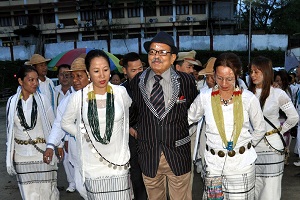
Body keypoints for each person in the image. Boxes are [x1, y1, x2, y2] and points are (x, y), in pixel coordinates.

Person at [129, 31, 198, 200]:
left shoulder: (186, 81)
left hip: (178, 153)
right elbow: (132, 114)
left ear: (173, 57)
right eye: (152, 52)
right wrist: (135, 130)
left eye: (162, 52)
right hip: (148, 155)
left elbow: (193, 109)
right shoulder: (137, 82)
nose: (156, 56)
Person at [188, 52, 266, 199]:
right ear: (213, 75)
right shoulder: (205, 97)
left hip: (241, 164)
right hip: (213, 166)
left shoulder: (248, 98)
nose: (224, 84)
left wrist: (244, 146)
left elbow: (260, 128)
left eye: (229, 79)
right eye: (219, 78)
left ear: (237, 75)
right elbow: (188, 119)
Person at [61, 50, 132, 199]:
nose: (102, 75)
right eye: (96, 71)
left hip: (118, 164)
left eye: (105, 70)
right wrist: (83, 133)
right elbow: (65, 123)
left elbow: (128, 116)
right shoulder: (78, 97)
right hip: (92, 166)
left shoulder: (120, 93)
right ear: (88, 73)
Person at [248, 56, 298, 200]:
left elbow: (294, 117)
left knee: (270, 191)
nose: (253, 75)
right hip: (251, 148)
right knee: (252, 189)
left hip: (272, 148)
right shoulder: (246, 94)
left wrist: (279, 131)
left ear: (266, 72)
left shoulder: (278, 93)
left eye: (257, 72)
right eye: (251, 71)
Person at [6, 65, 59, 199]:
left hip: (42, 153)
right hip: (21, 156)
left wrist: (56, 145)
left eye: (36, 80)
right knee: (28, 194)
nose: (35, 83)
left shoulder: (43, 100)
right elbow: (10, 130)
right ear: (20, 81)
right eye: (31, 80)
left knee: (46, 191)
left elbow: (54, 124)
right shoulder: (12, 102)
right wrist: (11, 152)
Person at [44, 58, 90, 199]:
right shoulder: (68, 101)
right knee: (82, 189)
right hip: (77, 154)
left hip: (99, 157)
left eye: (79, 76)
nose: (75, 80)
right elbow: (59, 124)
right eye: (72, 76)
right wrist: (51, 145)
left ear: (89, 76)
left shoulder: (101, 96)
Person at [120, 52, 147, 200]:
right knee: (137, 180)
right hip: (130, 142)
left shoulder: (151, 86)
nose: (138, 74)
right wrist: (129, 129)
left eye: (140, 70)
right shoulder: (120, 91)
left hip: (150, 140)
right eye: (133, 70)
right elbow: (118, 117)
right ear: (125, 71)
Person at [54, 64, 76, 193]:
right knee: (65, 159)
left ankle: (78, 183)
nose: (65, 77)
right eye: (62, 74)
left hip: (71, 131)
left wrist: (67, 137)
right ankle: (71, 183)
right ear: (58, 76)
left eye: (67, 74)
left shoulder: (75, 91)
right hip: (58, 128)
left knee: (73, 158)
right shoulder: (54, 90)